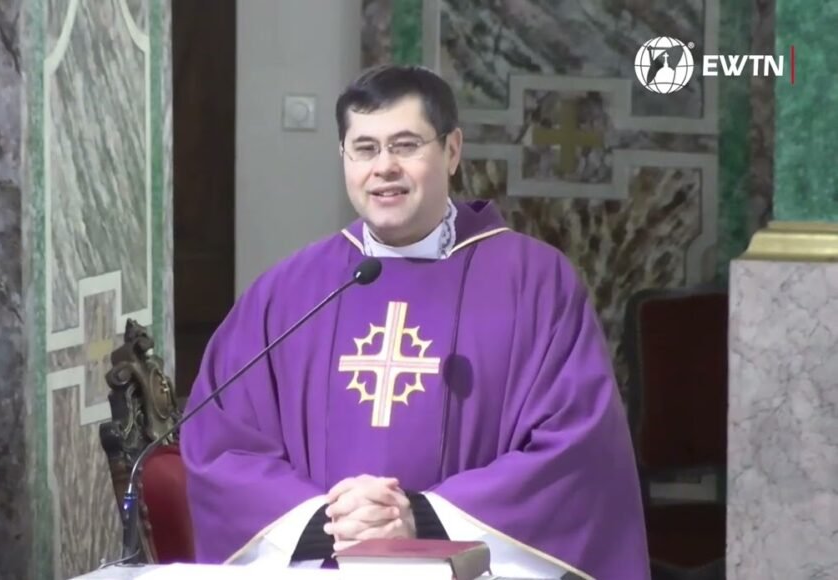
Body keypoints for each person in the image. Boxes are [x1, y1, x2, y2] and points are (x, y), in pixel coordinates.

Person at [180, 64, 649, 579]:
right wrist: (326, 522)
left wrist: (422, 519)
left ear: (452, 151)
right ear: (343, 157)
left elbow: (578, 448)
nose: (384, 167)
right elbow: (222, 439)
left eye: (405, 146)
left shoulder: (535, 283)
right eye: (364, 149)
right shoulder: (289, 292)